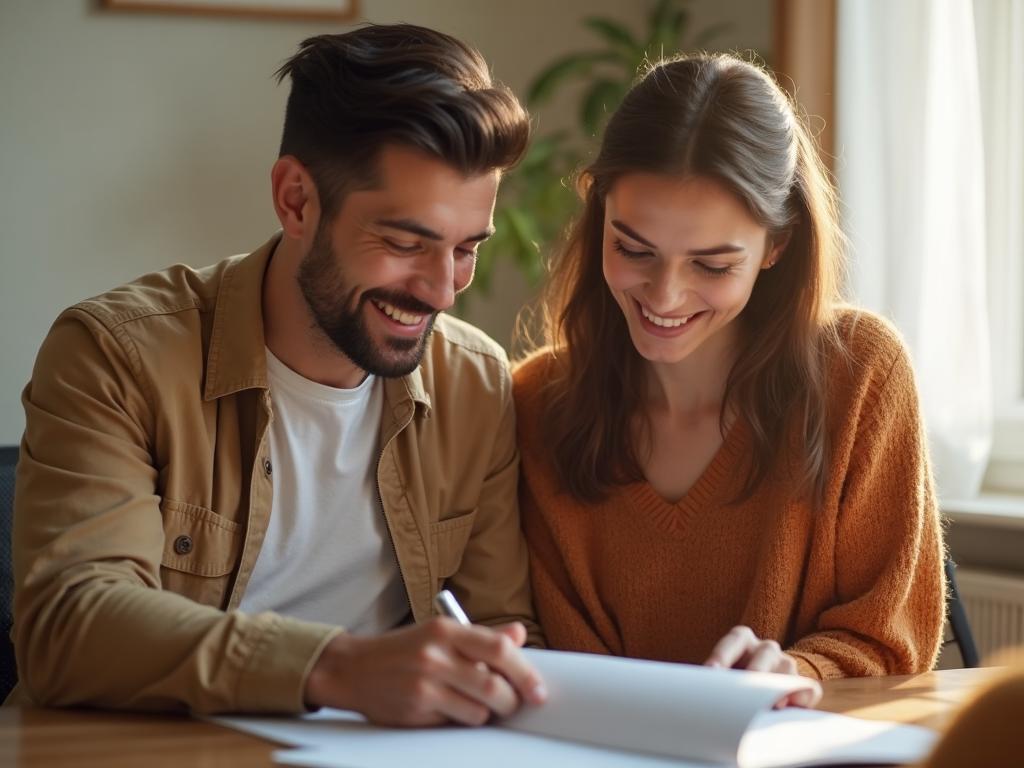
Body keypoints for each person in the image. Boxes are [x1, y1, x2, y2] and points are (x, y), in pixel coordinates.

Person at [9, 24, 547, 725]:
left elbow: (506, 631)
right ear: (297, 200)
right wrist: (338, 667)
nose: (444, 291)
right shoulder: (115, 355)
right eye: (405, 243)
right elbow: (67, 627)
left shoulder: (474, 382)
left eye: (466, 248)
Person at [514, 53, 945, 696]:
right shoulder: (536, 402)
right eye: (633, 249)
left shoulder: (860, 376)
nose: (664, 296)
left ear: (776, 245)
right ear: (597, 209)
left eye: (712, 266)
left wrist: (797, 673)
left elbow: (889, 641)